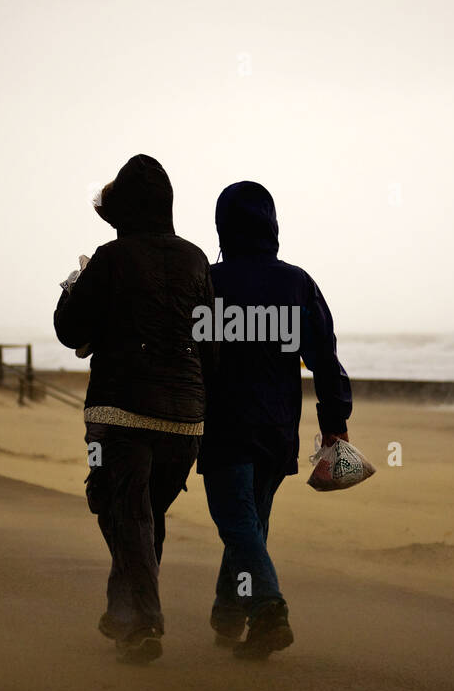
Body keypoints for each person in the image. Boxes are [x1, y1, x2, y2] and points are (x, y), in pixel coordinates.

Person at [54, 154, 216, 663]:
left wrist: (70, 288)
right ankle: (125, 614)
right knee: (144, 514)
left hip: (119, 416)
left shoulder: (109, 258)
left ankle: (143, 622)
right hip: (187, 419)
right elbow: (210, 341)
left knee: (117, 508)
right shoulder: (195, 260)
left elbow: (70, 332)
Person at [197, 181, 352, 659]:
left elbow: (189, 355)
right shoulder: (296, 283)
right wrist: (335, 423)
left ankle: (268, 608)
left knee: (238, 521)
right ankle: (227, 612)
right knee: (250, 521)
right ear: (272, 224)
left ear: (223, 226)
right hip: (277, 427)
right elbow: (324, 359)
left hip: (224, 425)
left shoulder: (209, 283)